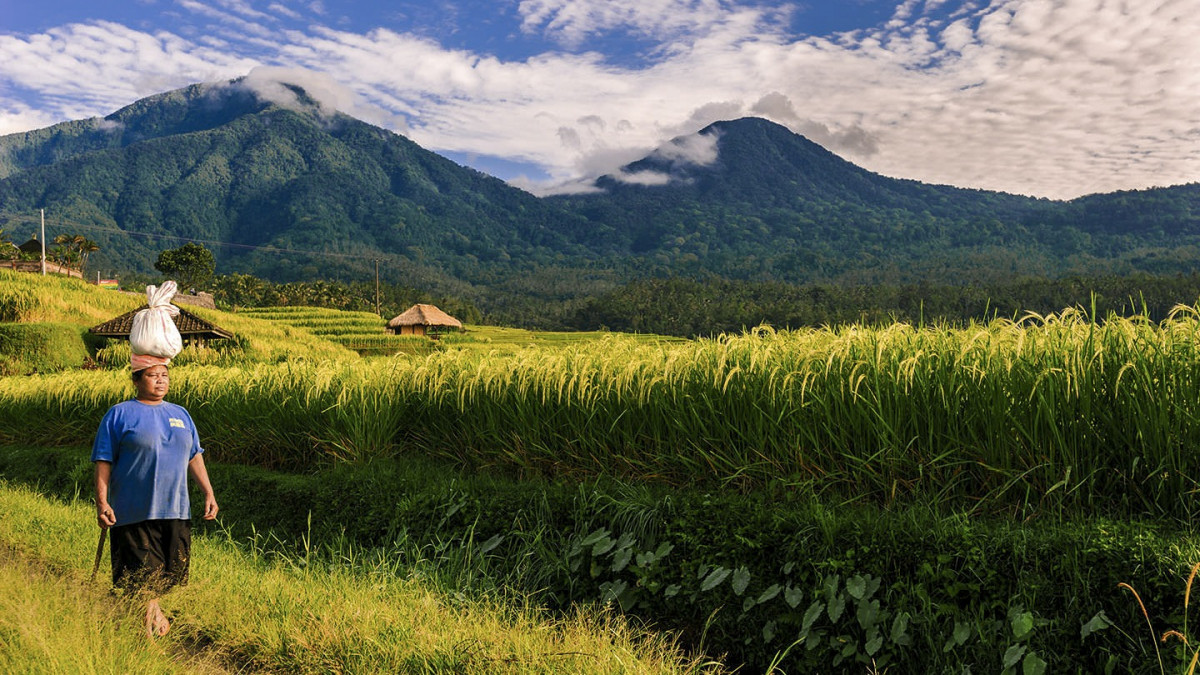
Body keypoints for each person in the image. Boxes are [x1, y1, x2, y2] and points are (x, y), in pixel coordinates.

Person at [92, 356, 218, 637]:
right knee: (143, 577)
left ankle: (152, 613)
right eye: (152, 375)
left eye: (164, 375)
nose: (160, 380)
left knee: (169, 575)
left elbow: (194, 455)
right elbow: (103, 460)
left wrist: (208, 492)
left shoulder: (181, 414)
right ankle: (146, 642)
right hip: (133, 510)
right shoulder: (119, 414)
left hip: (175, 509)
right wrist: (102, 502)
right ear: (136, 380)